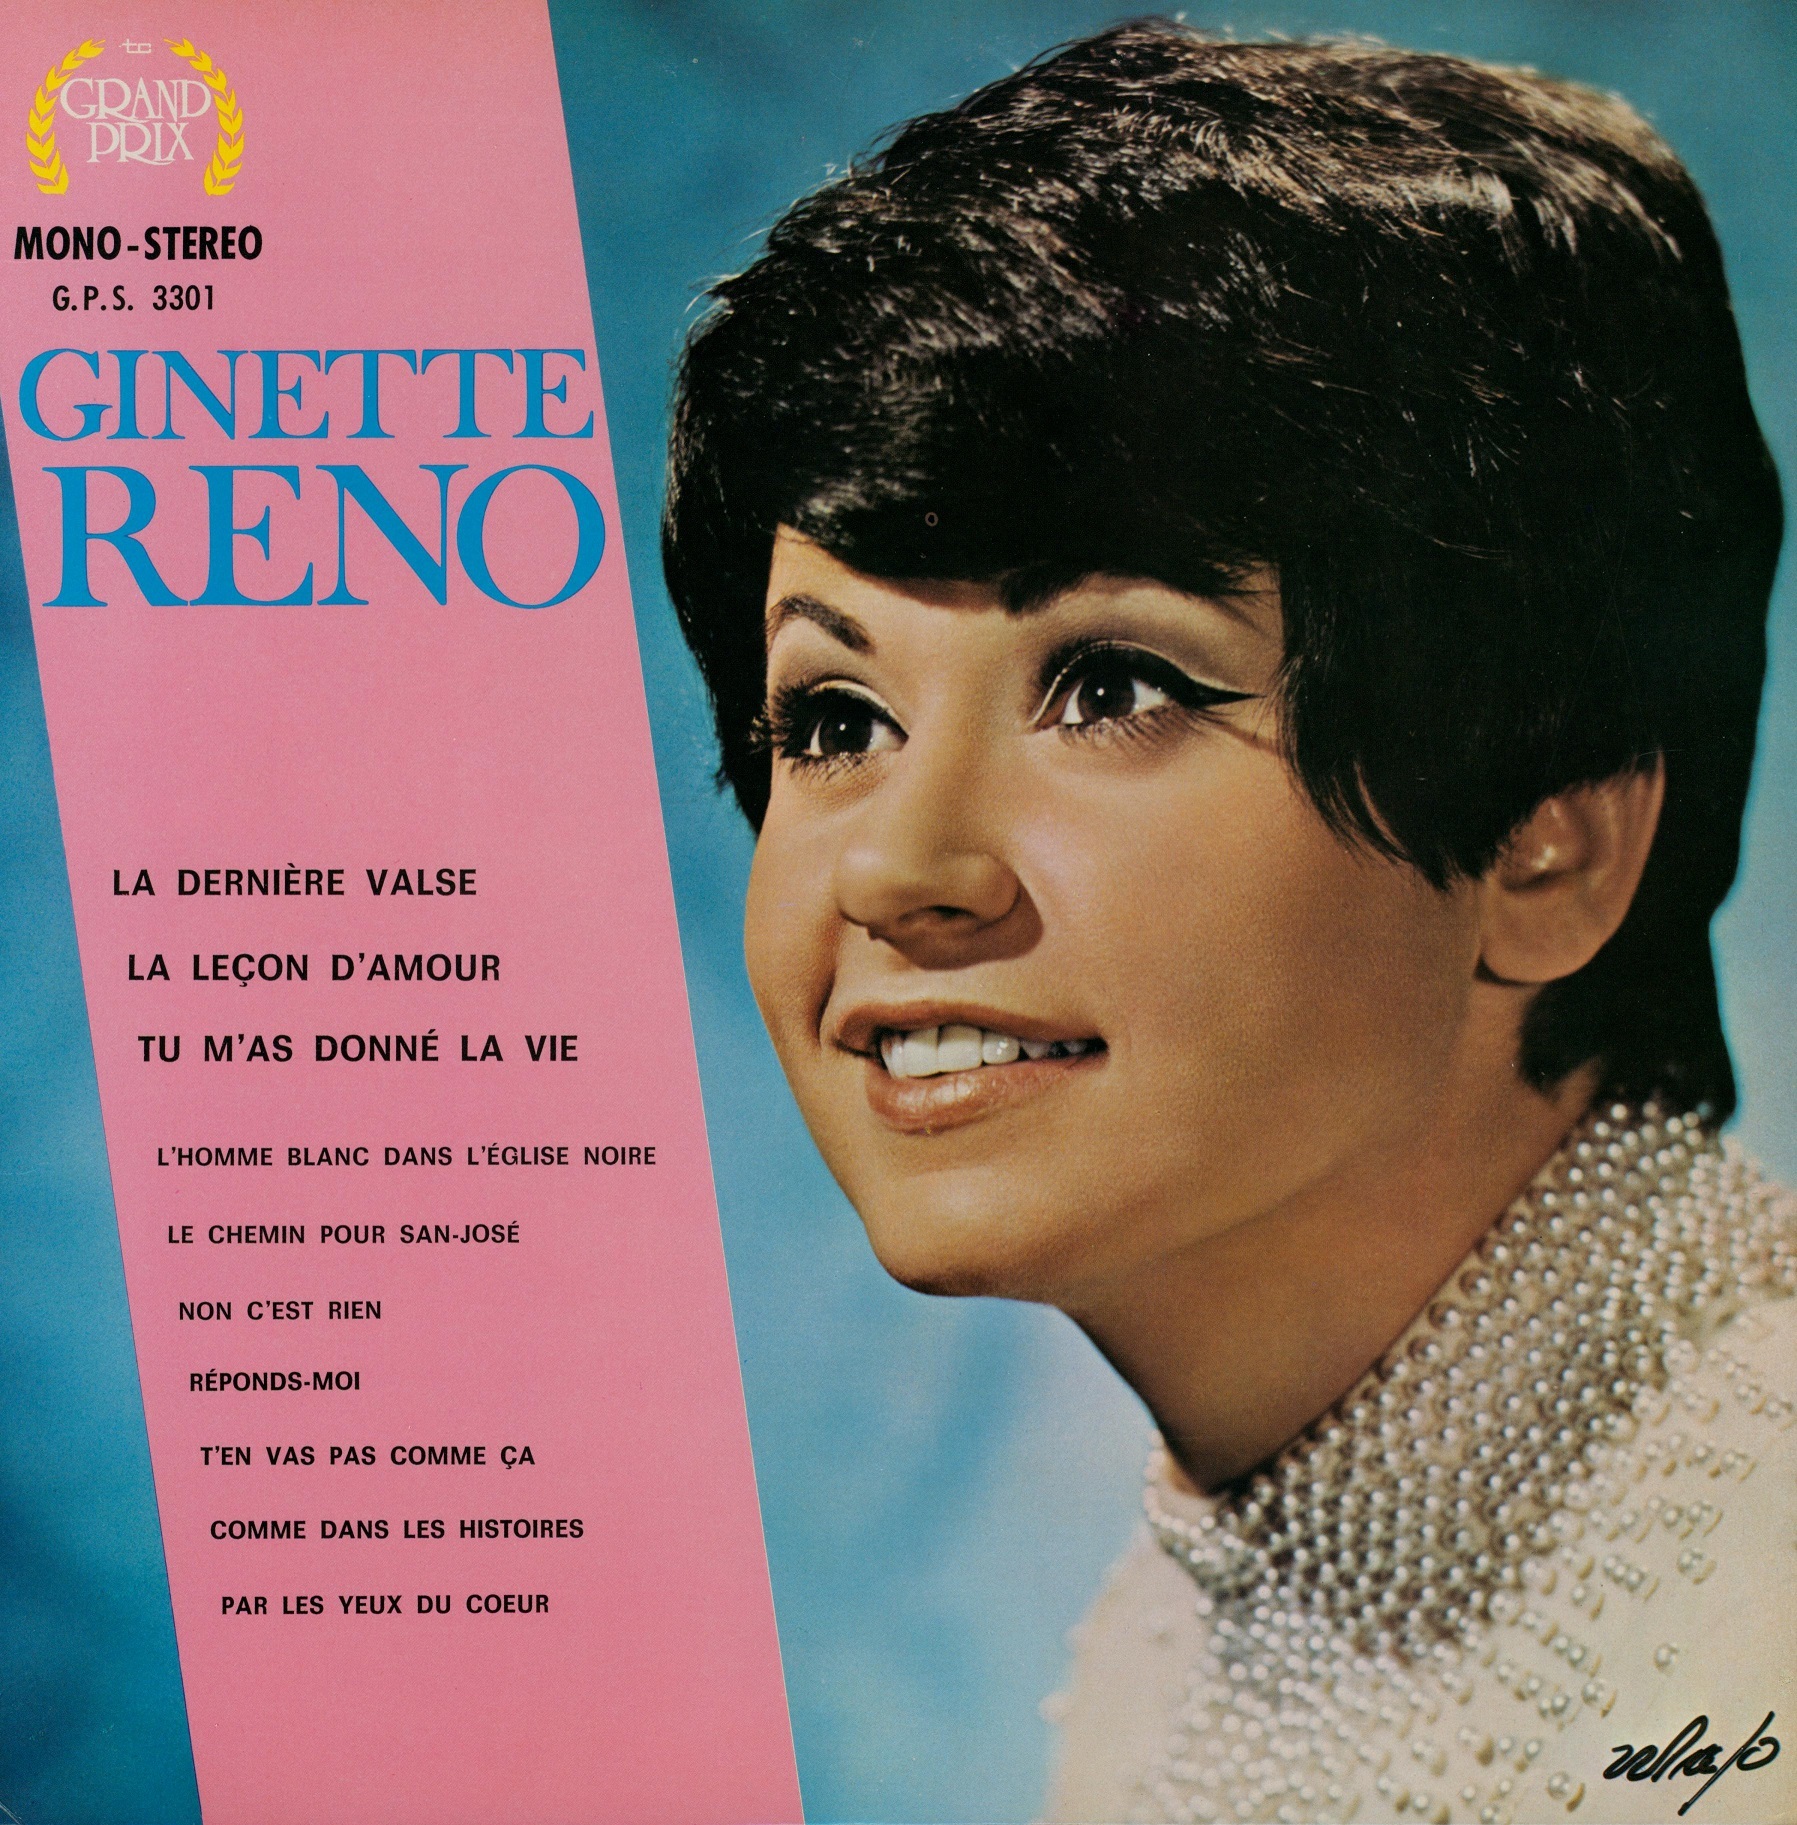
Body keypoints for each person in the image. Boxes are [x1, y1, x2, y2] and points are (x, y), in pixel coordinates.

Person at [661, 21, 1797, 1823]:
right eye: (835, 719)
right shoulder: (1184, 1635)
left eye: (1112, 684)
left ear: (1547, 848)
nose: (898, 868)